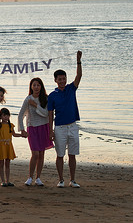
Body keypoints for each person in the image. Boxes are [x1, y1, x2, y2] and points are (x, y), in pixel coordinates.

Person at [48, 51, 82, 188]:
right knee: (60, 155)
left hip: (73, 126)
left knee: (72, 154)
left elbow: (79, 76)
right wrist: (50, 130)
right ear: (55, 80)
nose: (62, 81)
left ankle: (72, 180)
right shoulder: (52, 95)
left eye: (64, 78)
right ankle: (61, 179)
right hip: (60, 128)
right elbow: (50, 114)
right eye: (59, 79)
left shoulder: (71, 89)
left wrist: (78, 61)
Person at [18, 77, 54, 186]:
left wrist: (35, 105)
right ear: (31, 87)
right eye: (34, 85)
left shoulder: (46, 99)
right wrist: (22, 130)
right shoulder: (28, 99)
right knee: (35, 153)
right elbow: (20, 115)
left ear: (41, 86)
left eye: (38, 85)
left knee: (41, 153)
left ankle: (38, 178)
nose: (36, 87)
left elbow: (46, 114)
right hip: (32, 128)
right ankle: (30, 177)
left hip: (44, 127)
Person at [0, 108, 23, 187]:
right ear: (1, 116)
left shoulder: (11, 125)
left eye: (7, 115)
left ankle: (8, 180)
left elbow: (14, 134)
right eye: (4, 115)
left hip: (9, 146)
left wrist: (22, 135)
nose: (6, 117)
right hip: (1, 146)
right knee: (1, 164)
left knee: (8, 164)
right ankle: (3, 181)